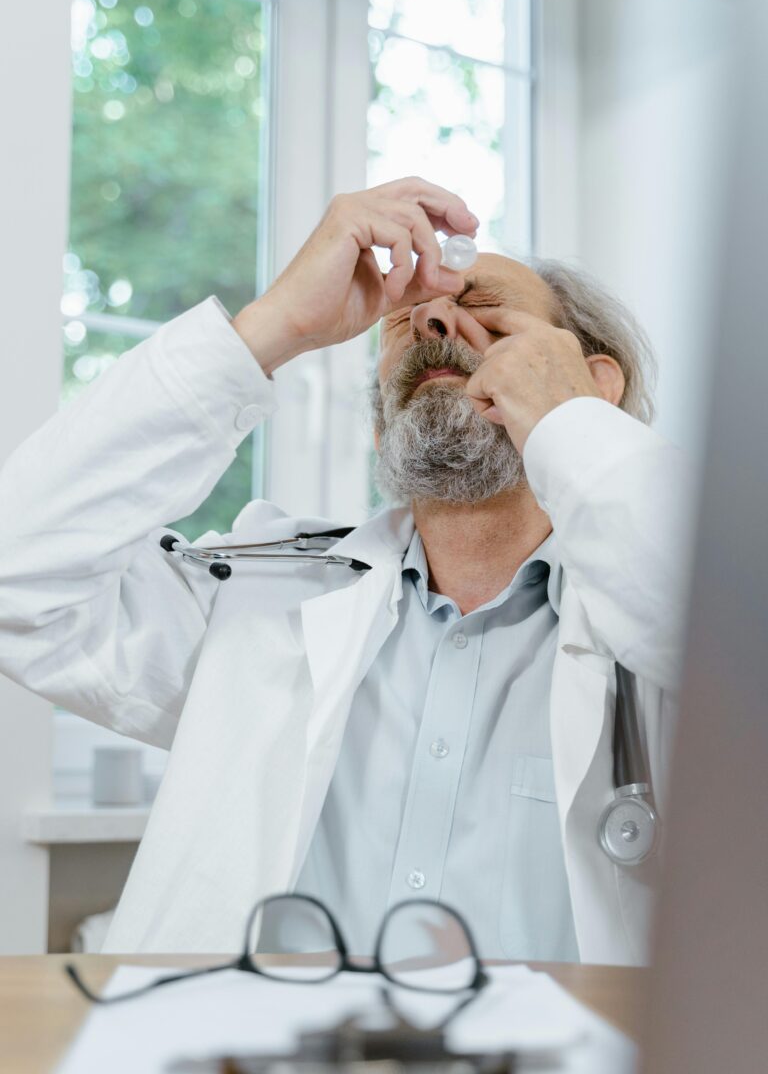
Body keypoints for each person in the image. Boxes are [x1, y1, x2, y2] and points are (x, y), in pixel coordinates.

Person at [0, 177, 690, 962]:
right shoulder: (256, 603)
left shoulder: (655, 624)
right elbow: (16, 576)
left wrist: (573, 425)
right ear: (377, 425)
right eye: (405, 324)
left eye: (489, 311)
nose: (431, 315)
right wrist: (270, 330)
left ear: (595, 386)